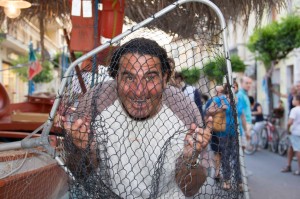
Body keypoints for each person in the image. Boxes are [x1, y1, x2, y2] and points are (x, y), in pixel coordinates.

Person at [58, 38, 212, 198]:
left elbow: (192, 189)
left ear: (164, 78)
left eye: (150, 77)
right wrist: (82, 149)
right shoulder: (96, 103)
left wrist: (190, 159)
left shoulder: (184, 111)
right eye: (129, 78)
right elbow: (78, 173)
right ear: (116, 77)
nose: (139, 91)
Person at [206, 84, 242, 191]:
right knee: (225, 157)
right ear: (228, 88)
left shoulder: (237, 100)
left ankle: (239, 182)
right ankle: (227, 181)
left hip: (235, 133)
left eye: (235, 87)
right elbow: (209, 110)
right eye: (233, 87)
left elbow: (241, 115)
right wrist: (220, 108)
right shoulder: (220, 99)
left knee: (236, 157)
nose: (234, 89)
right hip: (223, 133)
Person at [281, 94, 300, 175]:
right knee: (291, 148)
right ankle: (288, 165)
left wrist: (288, 129)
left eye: (293, 99)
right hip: (296, 132)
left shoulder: (294, 110)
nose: (292, 101)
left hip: (296, 132)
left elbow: (290, 122)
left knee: (298, 150)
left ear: (297, 101)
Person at [236, 76, 253, 146]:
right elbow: (241, 113)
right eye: (246, 83)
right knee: (242, 148)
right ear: (241, 83)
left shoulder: (244, 94)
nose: (249, 85)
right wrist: (245, 130)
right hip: (244, 125)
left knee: (243, 148)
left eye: (250, 83)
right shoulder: (240, 95)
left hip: (247, 123)